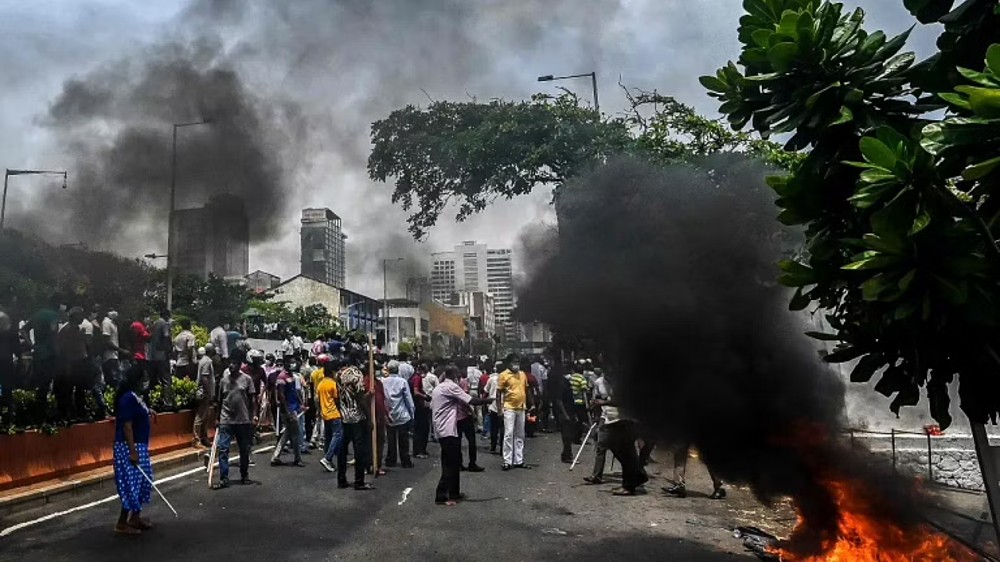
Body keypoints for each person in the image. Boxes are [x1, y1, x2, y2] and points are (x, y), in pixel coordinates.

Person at [431, 365, 491, 505]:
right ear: (455, 376)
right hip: (448, 430)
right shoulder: (451, 387)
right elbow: (471, 401)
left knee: (451, 461)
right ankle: (443, 494)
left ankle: (454, 493)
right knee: (451, 463)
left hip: (442, 429)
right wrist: (490, 400)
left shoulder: (440, 387)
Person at [111, 363, 153, 534]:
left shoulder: (136, 397)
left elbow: (138, 415)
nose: (146, 381)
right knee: (131, 484)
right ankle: (122, 523)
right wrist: (132, 451)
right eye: (143, 377)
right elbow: (127, 426)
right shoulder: (127, 398)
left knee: (143, 481)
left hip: (140, 445)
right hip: (129, 446)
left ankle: (135, 517)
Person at [215, 349, 257, 488]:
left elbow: (252, 400)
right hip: (226, 420)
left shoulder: (247, 380)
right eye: (230, 363)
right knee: (223, 449)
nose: (231, 366)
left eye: (234, 363)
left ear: (239, 365)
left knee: (244, 450)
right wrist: (217, 418)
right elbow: (219, 401)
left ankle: (244, 475)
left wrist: (254, 416)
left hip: (243, 420)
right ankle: (224, 477)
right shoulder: (223, 381)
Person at [335, 357, 374, 490]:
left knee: (343, 449)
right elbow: (360, 398)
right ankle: (359, 481)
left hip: (345, 416)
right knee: (359, 449)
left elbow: (338, 397)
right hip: (357, 417)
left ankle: (341, 479)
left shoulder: (339, 374)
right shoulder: (356, 374)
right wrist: (369, 418)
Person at [23, 299, 60, 420]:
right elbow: (54, 333)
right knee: (50, 384)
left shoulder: (37, 314)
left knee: (39, 384)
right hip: (50, 355)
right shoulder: (53, 315)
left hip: (38, 353)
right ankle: (44, 414)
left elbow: (23, 330)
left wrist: (31, 345)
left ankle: (37, 413)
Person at [55, 307, 89, 420]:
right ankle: (69, 414)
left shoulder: (77, 329)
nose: (83, 318)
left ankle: (80, 412)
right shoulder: (67, 329)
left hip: (79, 363)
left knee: (80, 389)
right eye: (81, 316)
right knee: (69, 390)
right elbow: (62, 348)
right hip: (71, 364)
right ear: (74, 317)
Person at [497, 355, 530, 470]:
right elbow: (499, 393)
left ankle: (518, 460)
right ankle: (507, 460)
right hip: (509, 407)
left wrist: (532, 405)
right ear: (509, 363)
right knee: (508, 434)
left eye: (517, 362)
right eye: (514, 362)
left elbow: (526, 389)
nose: (516, 364)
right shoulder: (503, 375)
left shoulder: (522, 374)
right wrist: (499, 409)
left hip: (521, 407)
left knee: (520, 435)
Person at [270, 362, 305, 467]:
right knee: (295, 434)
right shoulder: (282, 377)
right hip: (288, 409)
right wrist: (287, 410)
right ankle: (297, 458)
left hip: (294, 407)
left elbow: (295, 391)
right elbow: (281, 394)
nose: (293, 364)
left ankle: (275, 457)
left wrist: (301, 404)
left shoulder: (292, 376)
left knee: (287, 434)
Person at [382, 361, 414, 469]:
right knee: (403, 440)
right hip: (402, 413)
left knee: (391, 439)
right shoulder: (402, 382)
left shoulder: (383, 381)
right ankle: (405, 460)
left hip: (389, 413)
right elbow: (408, 399)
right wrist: (412, 413)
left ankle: (391, 459)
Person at [316, 356, 343, 473]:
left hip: (324, 413)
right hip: (334, 413)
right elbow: (337, 399)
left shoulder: (321, 384)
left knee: (328, 437)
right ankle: (328, 458)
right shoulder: (333, 384)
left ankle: (328, 457)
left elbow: (317, 400)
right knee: (337, 435)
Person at [0, 310, 23, 426]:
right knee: (7, 392)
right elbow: (18, 350)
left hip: (5, 365)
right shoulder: (11, 333)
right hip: (6, 365)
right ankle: (7, 420)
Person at [192, 343, 216, 448]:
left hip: (203, 392)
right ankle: (196, 439)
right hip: (204, 392)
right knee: (201, 416)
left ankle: (204, 438)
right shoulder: (207, 361)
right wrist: (209, 392)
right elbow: (205, 377)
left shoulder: (203, 360)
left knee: (205, 417)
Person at [148, 310, 173, 407]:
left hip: (152, 357)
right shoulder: (165, 324)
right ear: (166, 316)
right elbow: (166, 337)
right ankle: (168, 403)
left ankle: (153, 402)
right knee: (166, 380)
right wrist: (169, 350)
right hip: (162, 356)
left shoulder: (154, 324)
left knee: (153, 380)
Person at [101, 310, 129, 388]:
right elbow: (107, 341)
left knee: (117, 380)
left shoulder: (113, 323)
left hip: (114, 356)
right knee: (114, 381)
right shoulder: (106, 323)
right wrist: (122, 351)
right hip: (110, 357)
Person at [410, 364, 431, 459]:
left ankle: (419, 450)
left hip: (417, 406)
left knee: (419, 429)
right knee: (422, 429)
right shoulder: (417, 378)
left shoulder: (413, 377)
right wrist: (425, 396)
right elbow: (416, 391)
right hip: (419, 406)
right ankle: (419, 450)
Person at [569, 363, 592, 443]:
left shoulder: (571, 377)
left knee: (574, 419)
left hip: (572, 402)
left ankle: (572, 436)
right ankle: (577, 438)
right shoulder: (582, 379)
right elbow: (584, 393)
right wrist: (587, 404)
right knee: (580, 420)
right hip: (580, 402)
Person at [483, 362, 503, 453]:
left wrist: (484, 401)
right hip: (504, 406)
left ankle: (493, 446)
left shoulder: (492, 379)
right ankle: (503, 447)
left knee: (493, 428)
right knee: (503, 428)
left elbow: (486, 390)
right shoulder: (507, 378)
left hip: (493, 405)